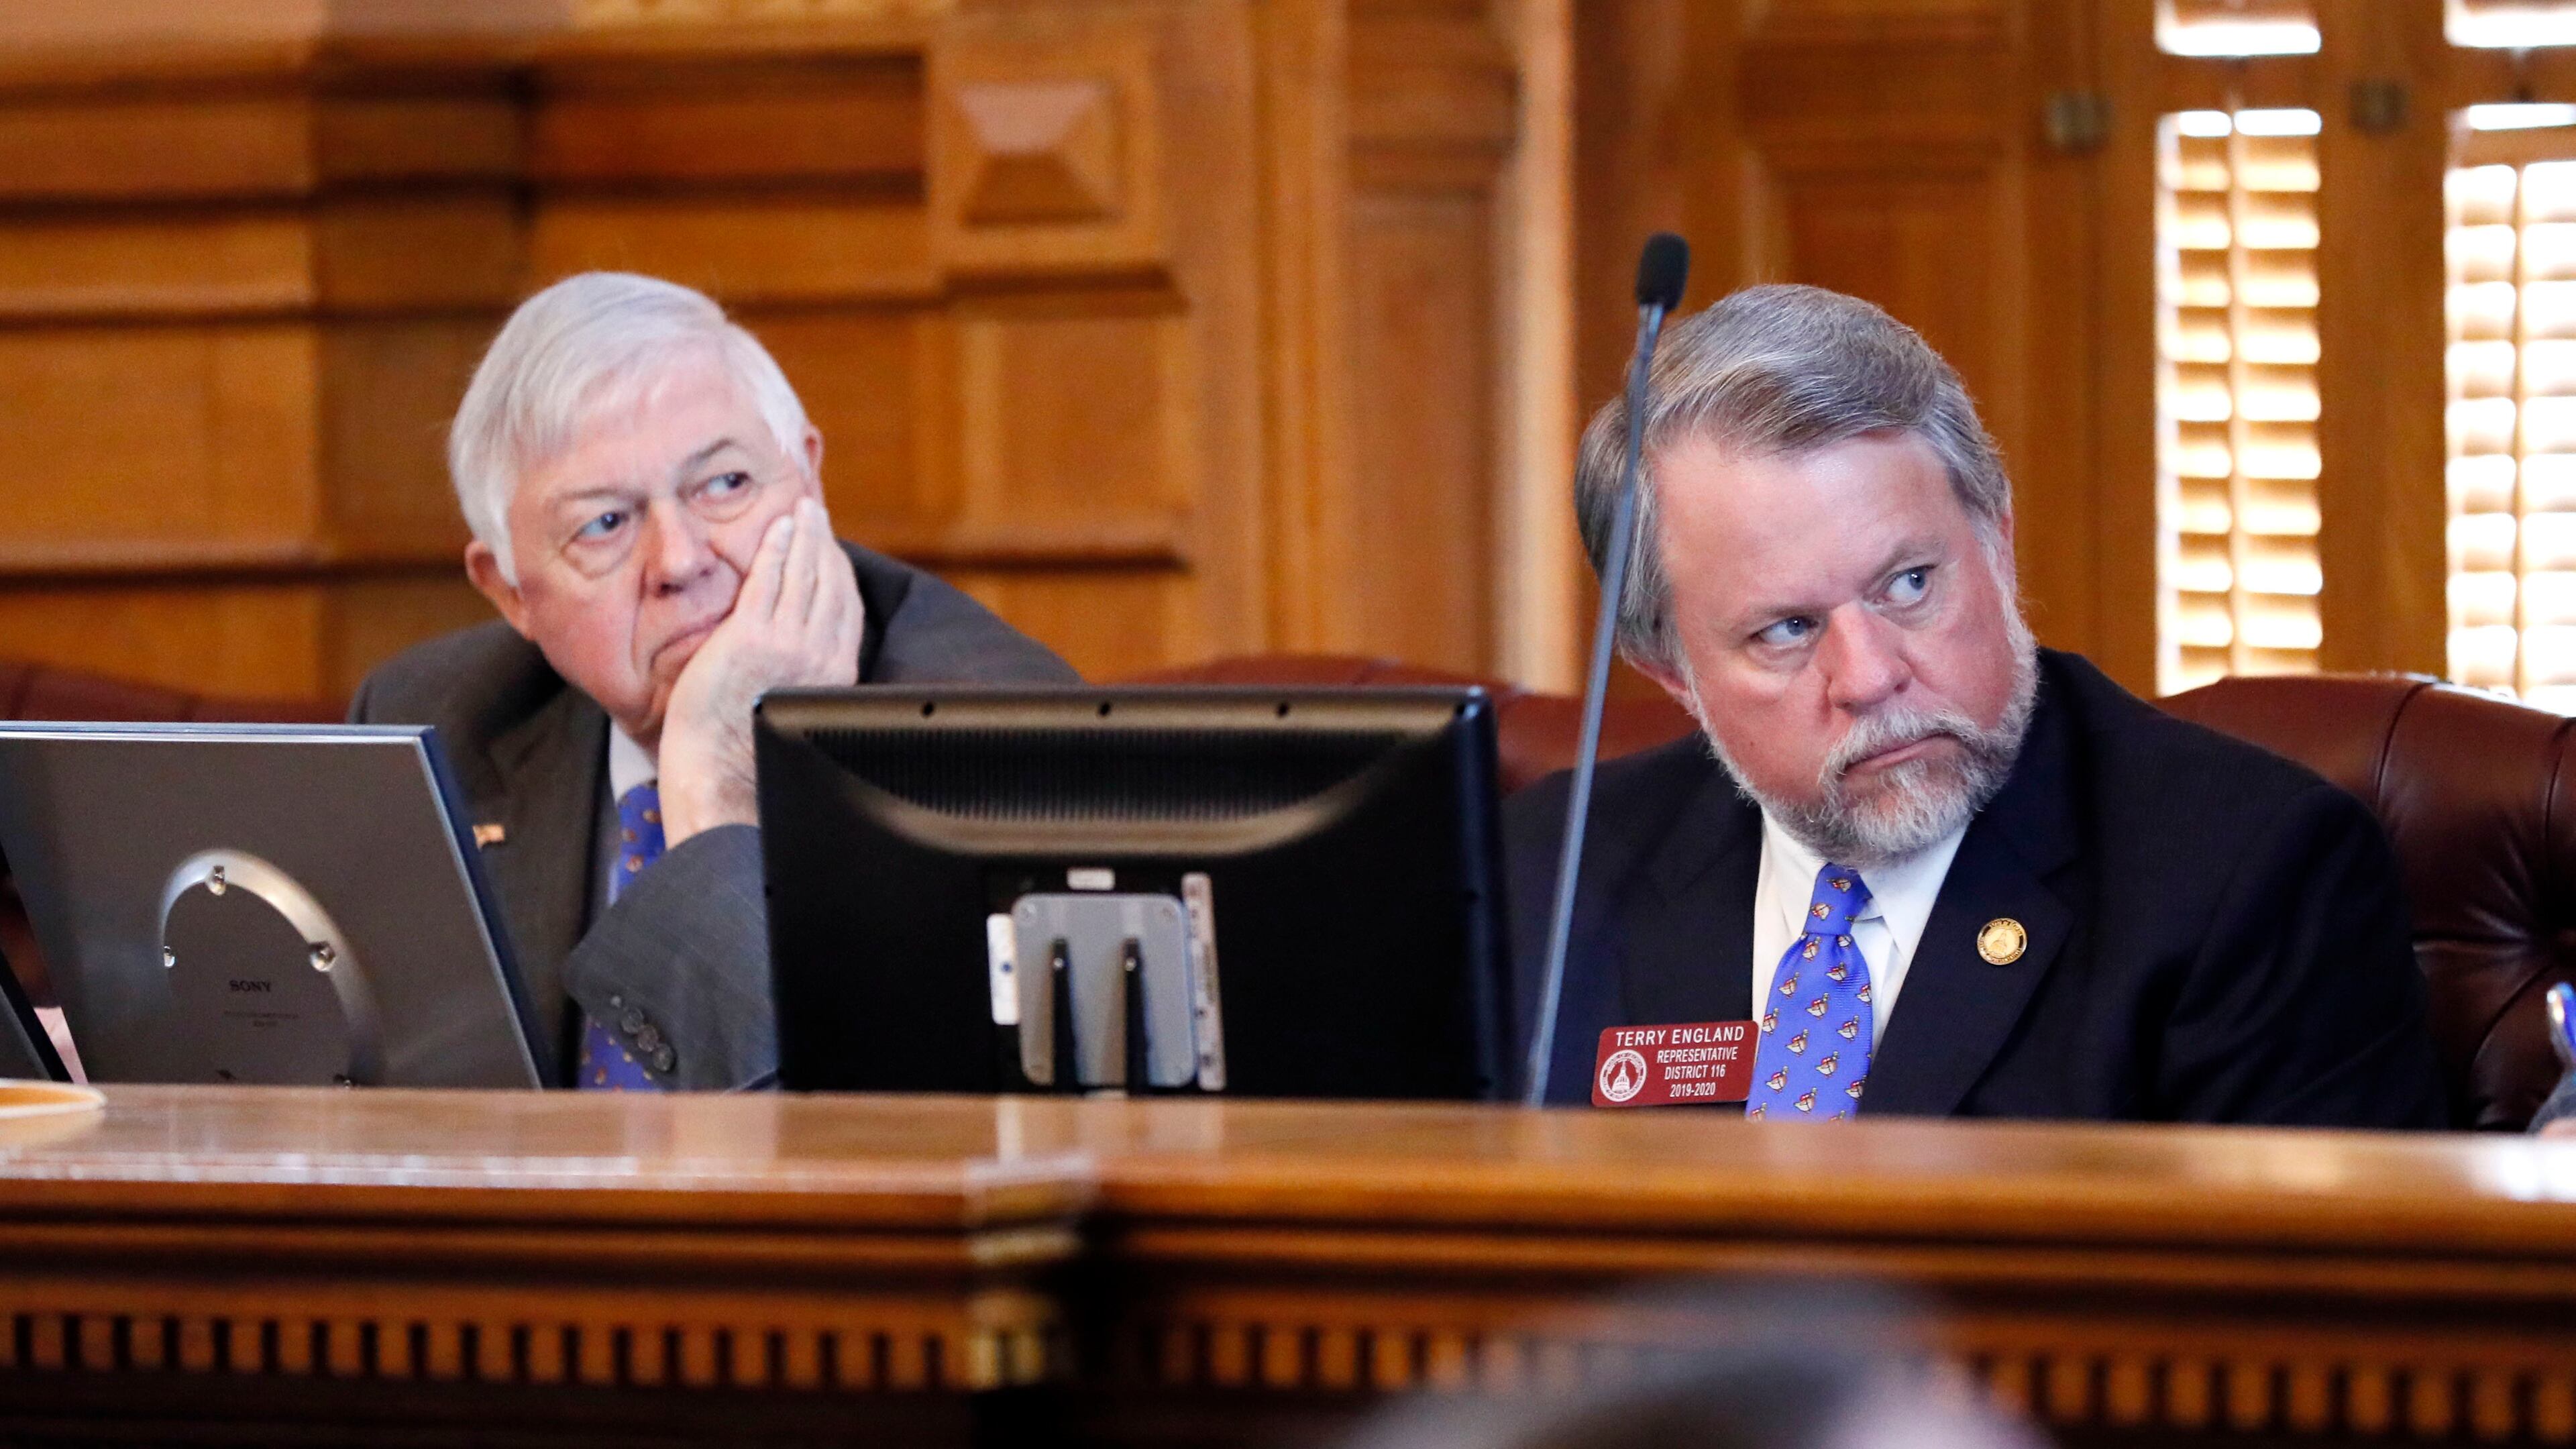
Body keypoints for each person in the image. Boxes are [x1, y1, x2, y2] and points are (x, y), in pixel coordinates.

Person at [1506, 284, 2446, 1126]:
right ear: (1670, 670)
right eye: (1788, 630)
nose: (1870, 675)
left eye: (1909, 583)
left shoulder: (2250, 876)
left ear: (1997, 539)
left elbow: (2302, 1307)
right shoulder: (1550, 874)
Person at [354, 272, 1077, 1091]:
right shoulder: (435, 721)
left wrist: (714, 789)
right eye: (605, 524)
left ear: (808, 478)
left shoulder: (987, 731)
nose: (683, 559)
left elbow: (854, 1156)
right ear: (511, 592)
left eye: (725, 484)